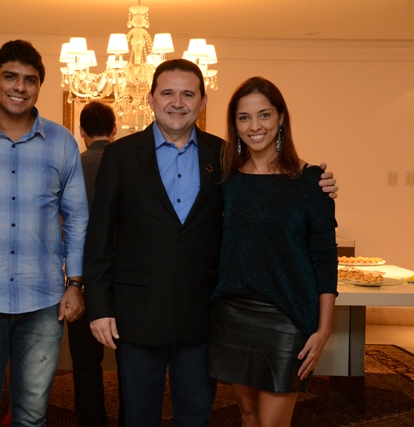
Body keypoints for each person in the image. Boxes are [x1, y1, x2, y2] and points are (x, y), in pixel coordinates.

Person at [83, 59, 338, 427]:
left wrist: (321, 182)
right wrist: (99, 306)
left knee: (196, 417)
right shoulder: (120, 156)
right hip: (136, 315)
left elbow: (279, 182)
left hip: (204, 317)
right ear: (151, 99)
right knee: (137, 416)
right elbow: (100, 235)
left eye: (188, 94)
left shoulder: (224, 157)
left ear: (203, 102)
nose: (177, 102)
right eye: (167, 93)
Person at [0, 40, 89, 427]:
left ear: (39, 86)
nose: (20, 87)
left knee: (32, 414)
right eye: (10, 76)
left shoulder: (61, 143)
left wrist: (75, 283)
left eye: (31, 79)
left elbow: (77, 219)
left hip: (43, 302)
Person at [208, 77, 337, 427]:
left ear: (281, 117)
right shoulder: (227, 180)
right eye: (243, 118)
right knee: (248, 415)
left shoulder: (311, 182)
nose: (254, 126)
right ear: (234, 124)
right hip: (232, 312)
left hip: (288, 316)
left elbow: (325, 258)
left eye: (264, 115)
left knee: (273, 423)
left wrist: (323, 330)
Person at [68, 101, 122, 427]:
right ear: (114, 130)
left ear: (82, 132)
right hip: (125, 279)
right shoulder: (130, 163)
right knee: (131, 364)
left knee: (86, 366)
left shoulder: (73, 165)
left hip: (84, 276)